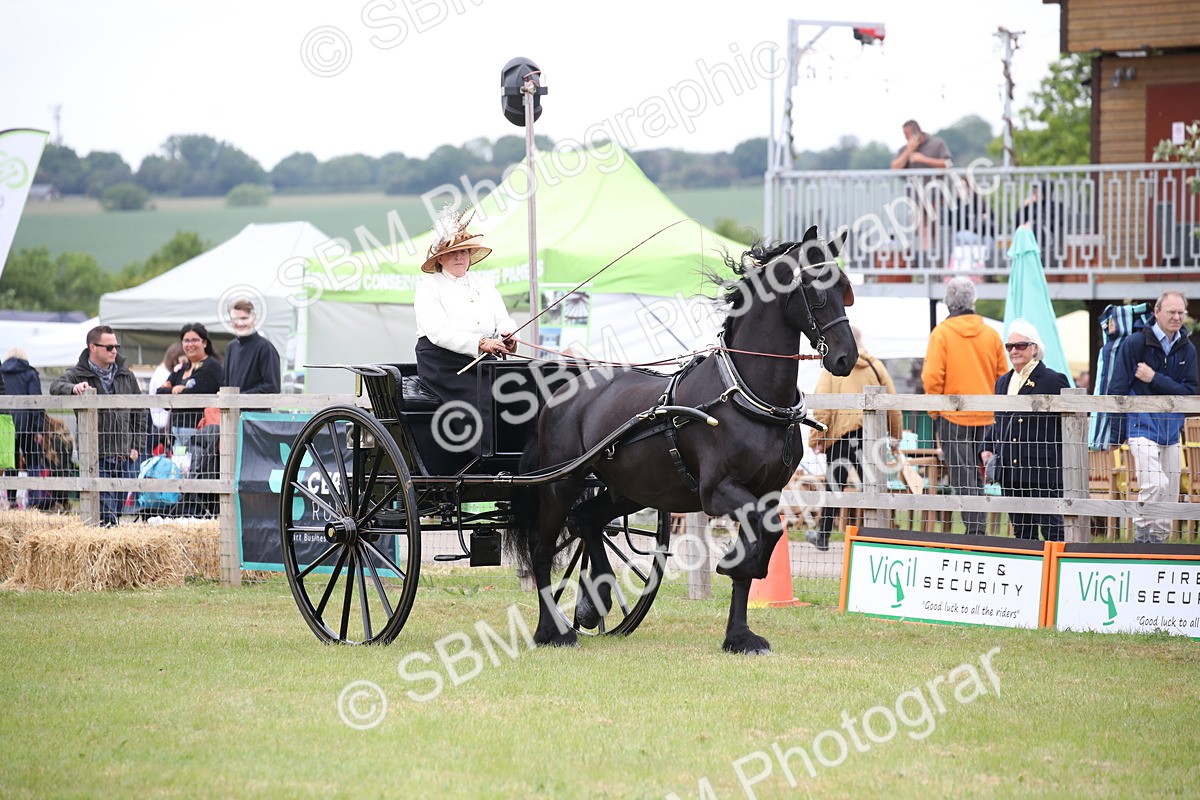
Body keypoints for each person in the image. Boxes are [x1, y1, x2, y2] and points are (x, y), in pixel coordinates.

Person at [1108, 291, 1198, 543]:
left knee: (1170, 493)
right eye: (1171, 312)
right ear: (1157, 312)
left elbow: (1190, 394)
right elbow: (1116, 390)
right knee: (1155, 483)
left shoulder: (1187, 349)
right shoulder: (1135, 344)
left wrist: (1154, 378)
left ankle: (1158, 544)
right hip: (1140, 426)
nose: (1177, 317)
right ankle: (1142, 533)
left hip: (1171, 430)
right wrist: (1116, 435)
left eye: (1181, 312)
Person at [922, 277, 1008, 535]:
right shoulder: (992, 335)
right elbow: (1002, 377)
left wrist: (935, 413)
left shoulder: (942, 334)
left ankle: (975, 531)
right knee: (980, 475)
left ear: (948, 303)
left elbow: (932, 378)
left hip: (952, 417)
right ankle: (978, 529)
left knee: (963, 477)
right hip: (987, 417)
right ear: (973, 301)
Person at [806, 327, 902, 551]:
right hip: (871, 438)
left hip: (840, 436)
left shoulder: (832, 368)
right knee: (873, 488)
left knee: (833, 488)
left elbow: (823, 407)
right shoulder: (876, 367)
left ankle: (823, 536)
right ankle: (879, 537)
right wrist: (895, 438)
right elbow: (893, 406)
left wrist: (817, 437)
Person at [413, 209, 516, 406]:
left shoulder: (485, 284)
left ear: (469, 255)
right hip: (444, 366)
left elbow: (503, 319)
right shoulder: (428, 287)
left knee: (520, 397)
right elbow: (438, 332)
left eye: (463, 252)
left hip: (485, 363)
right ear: (440, 259)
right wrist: (481, 342)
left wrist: (508, 335)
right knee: (485, 403)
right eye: (452, 253)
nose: (459, 257)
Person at [980, 320, 1070, 541]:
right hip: (1011, 470)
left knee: (1053, 530)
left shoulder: (1052, 379)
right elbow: (999, 421)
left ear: (1034, 348)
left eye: (1020, 345)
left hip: (1043, 470)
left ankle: (1055, 573)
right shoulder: (1003, 381)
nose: (1013, 351)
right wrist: (987, 446)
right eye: (1009, 346)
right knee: (1022, 532)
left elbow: (1072, 422)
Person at [50, 325, 145, 526]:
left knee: (117, 511)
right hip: (96, 455)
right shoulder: (77, 374)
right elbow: (55, 386)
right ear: (92, 347)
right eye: (109, 347)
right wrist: (73, 388)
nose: (114, 351)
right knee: (106, 516)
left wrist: (136, 444)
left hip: (124, 455)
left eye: (116, 346)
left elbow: (141, 411)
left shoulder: (126, 375)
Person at [156, 323, 223, 517]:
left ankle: (195, 514)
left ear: (204, 342)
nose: (190, 344)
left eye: (194, 340)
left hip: (201, 433)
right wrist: (177, 390)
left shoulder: (212, 367)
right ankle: (180, 513)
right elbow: (161, 394)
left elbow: (196, 393)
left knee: (196, 473)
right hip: (177, 434)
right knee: (179, 473)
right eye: (186, 340)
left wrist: (177, 389)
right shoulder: (183, 367)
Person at [890, 120, 953, 253]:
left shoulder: (937, 143)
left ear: (916, 133)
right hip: (915, 200)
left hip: (937, 198)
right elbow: (895, 168)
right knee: (923, 232)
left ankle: (936, 264)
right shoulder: (904, 150)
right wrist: (909, 151)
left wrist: (923, 159)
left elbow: (948, 164)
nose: (905, 137)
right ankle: (927, 263)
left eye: (906, 134)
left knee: (936, 232)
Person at [1, 347, 45, 507]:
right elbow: (36, 401)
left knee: (10, 462)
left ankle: (11, 501)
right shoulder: (30, 374)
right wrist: (38, 428)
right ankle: (34, 502)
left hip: (6, 424)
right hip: (28, 424)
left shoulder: (2, 373)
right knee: (33, 461)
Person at [223, 298, 281, 395]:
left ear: (254, 317)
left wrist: (239, 398)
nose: (239, 323)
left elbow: (272, 387)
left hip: (256, 410)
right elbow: (226, 384)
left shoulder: (265, 348)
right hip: (233, 409)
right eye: (235, 319)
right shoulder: (231, 347)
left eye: (244, 318)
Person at [149, 342, 186, 455]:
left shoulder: (161, 372)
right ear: (175, 359)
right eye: (183, 361)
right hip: (162, 426)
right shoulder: (164, 375)